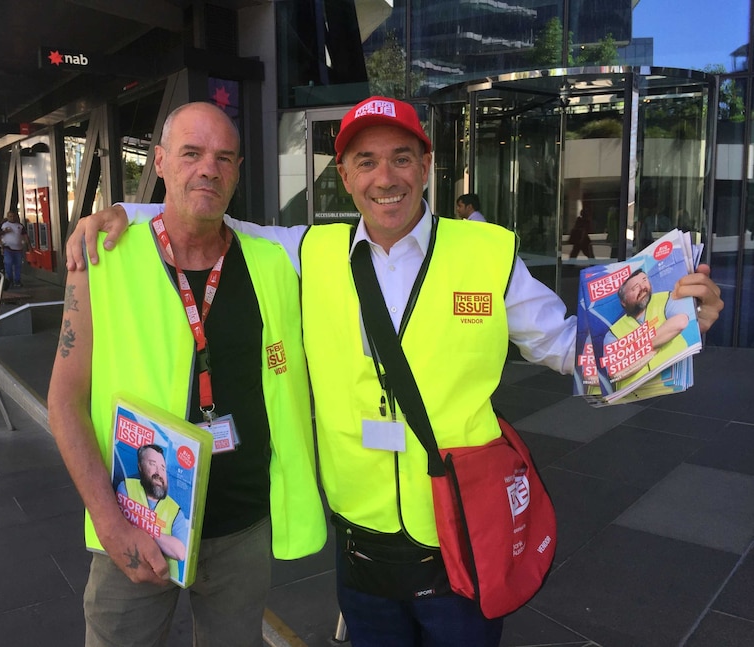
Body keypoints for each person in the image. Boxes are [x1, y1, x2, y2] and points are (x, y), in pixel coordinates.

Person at [67, 96, 724, 646]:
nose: (386, 177)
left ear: (426, 166)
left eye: (402, 158)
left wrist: (673, 326)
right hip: (362, 551)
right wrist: (122, 215)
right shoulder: (308, 251)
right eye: (366, 161)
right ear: (345, 177)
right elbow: (210, 213)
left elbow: (567, 344)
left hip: (462, 536)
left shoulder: (486, 252)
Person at [47, 101, 325, 647]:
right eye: (191, 153)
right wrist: (110, 525)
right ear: (159, 162)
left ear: (238, 171)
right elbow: (64, 400)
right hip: (136, 522)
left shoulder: (274, 265)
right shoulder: (104, 260)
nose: (209, 169)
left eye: (224, 158)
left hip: (243, 528)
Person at [603, 269, 691, 390]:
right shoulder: (613, 333)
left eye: (644, 281)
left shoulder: (666, 298)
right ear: (623, 301)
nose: (643, 287)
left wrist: (639, 350)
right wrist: (653, 350)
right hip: (635, 396)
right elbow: (616, 373)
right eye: (635, 287)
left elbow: (680, 322)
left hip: (677, 384)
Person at [116, 444, 189, 580]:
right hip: (126, 568)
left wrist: (149, 532)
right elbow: (119, 528)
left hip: (166, 578)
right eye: (152, 464)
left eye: (162, 468)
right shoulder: (126, 487)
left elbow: (180, 552)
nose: (159, 472)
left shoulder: (176, 511)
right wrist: (163, 539)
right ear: (140, 467)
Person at [0, 209, 28, 287]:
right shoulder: (4, 225)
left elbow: (25, 235)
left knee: (18, 265)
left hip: (18, 248)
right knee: (8, 263)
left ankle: (17, 280)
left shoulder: (20, 226)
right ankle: (10, 280)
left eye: (13, 216)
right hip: (7, 247)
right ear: (7, 217)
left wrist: (27, 246)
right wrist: (1, 246)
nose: (12, 218)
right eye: (10, 216)